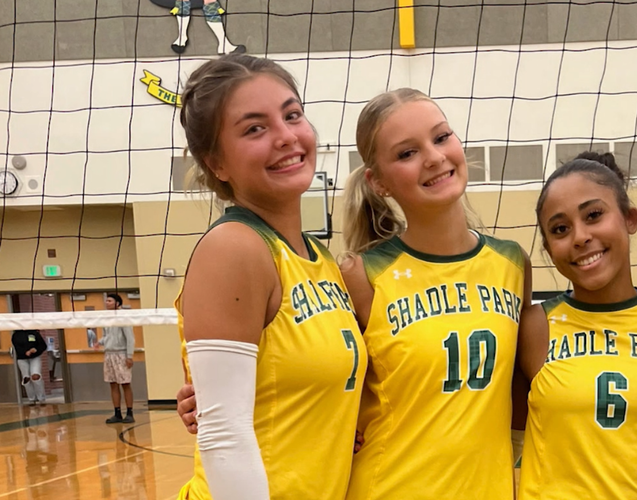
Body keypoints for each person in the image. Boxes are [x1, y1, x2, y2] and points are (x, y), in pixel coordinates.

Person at [174, 53, 366, 500]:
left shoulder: (320, 260)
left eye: (292, 114)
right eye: (255, 128)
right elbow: (223, 434)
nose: (286, 136)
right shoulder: (234, 248)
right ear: (216, 163)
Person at [337, 88, 531, 500]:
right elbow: (312, 366)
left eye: (441, 137)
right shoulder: (361, 274)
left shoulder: (512, 264)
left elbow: (526, 378)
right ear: (379, 182)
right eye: (407, 153)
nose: (434, 157)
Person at [516, 152, 637, 499]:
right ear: (549, 251)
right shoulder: (534, 326)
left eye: (593, 215)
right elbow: (506, 433)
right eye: (560, 229)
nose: (580, 237)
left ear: (629, 218)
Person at [100, 293, 136, 424]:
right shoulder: (105, 318)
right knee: (113, 384)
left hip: (121, 354)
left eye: (109, 301)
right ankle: (117, 413)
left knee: (125, 383)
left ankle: (130, 413)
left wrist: (129, 356)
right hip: (109, 354)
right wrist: (99, 342)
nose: (106, 302)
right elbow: (106, 336)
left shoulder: (123, 317)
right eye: (106, 300)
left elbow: (130, 338)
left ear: (117, 303)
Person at [12, 329, 48, 405]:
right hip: (22, 359)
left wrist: (35, 350)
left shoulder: (34, 333)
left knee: (35, 376)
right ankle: (31, 399)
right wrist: (25, 352)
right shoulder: (16, 335)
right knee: (26, 379)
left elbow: (43, 345)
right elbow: (17, 348)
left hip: (35, 357)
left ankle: (41, 398)